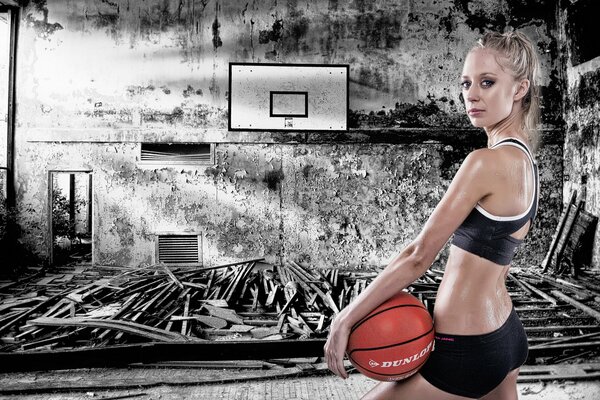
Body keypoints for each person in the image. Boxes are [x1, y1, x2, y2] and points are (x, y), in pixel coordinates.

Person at [324, 30, 541, 400]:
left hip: (467, 348)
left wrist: (345, 317)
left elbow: (418, 255)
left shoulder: (485, 162)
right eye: (466, 83)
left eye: (487, 82)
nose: (471, 94)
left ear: (519, 89)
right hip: (506, 336)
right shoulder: (525, 160)